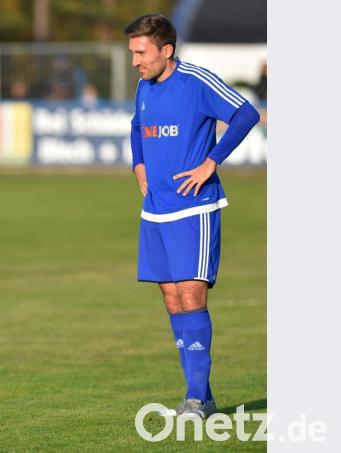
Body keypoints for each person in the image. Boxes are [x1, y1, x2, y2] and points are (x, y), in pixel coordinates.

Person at [124, 14, 260, 419]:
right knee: (170, 298)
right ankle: (201, 395)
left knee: (191, 294)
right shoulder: (144, 87)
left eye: (141, 52)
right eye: (132, 52)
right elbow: (137, 128)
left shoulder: (197, 81)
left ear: (166, 50)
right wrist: (139, 165)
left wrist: (211, 162)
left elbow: (246, 114)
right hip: (155, 211)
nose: (135, 61)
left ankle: (197, 399)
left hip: (194, 207)